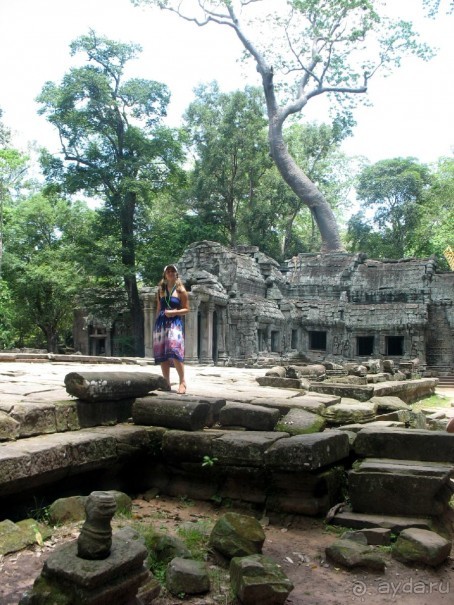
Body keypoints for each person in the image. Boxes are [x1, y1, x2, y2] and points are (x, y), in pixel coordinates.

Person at [153, 264, 189, 394]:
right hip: (161, 323)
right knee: (162, 353)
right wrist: (157, 322)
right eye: (168, 271)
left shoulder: (181, 291)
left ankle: (182, 382)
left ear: (176, 274)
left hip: (174, 322)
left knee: (175, 351)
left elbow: (186, 309)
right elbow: (159, 308)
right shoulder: (160, 290)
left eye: (172, 271)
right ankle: (166, 382)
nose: (170, 272)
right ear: (165, 274)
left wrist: (175, 312)